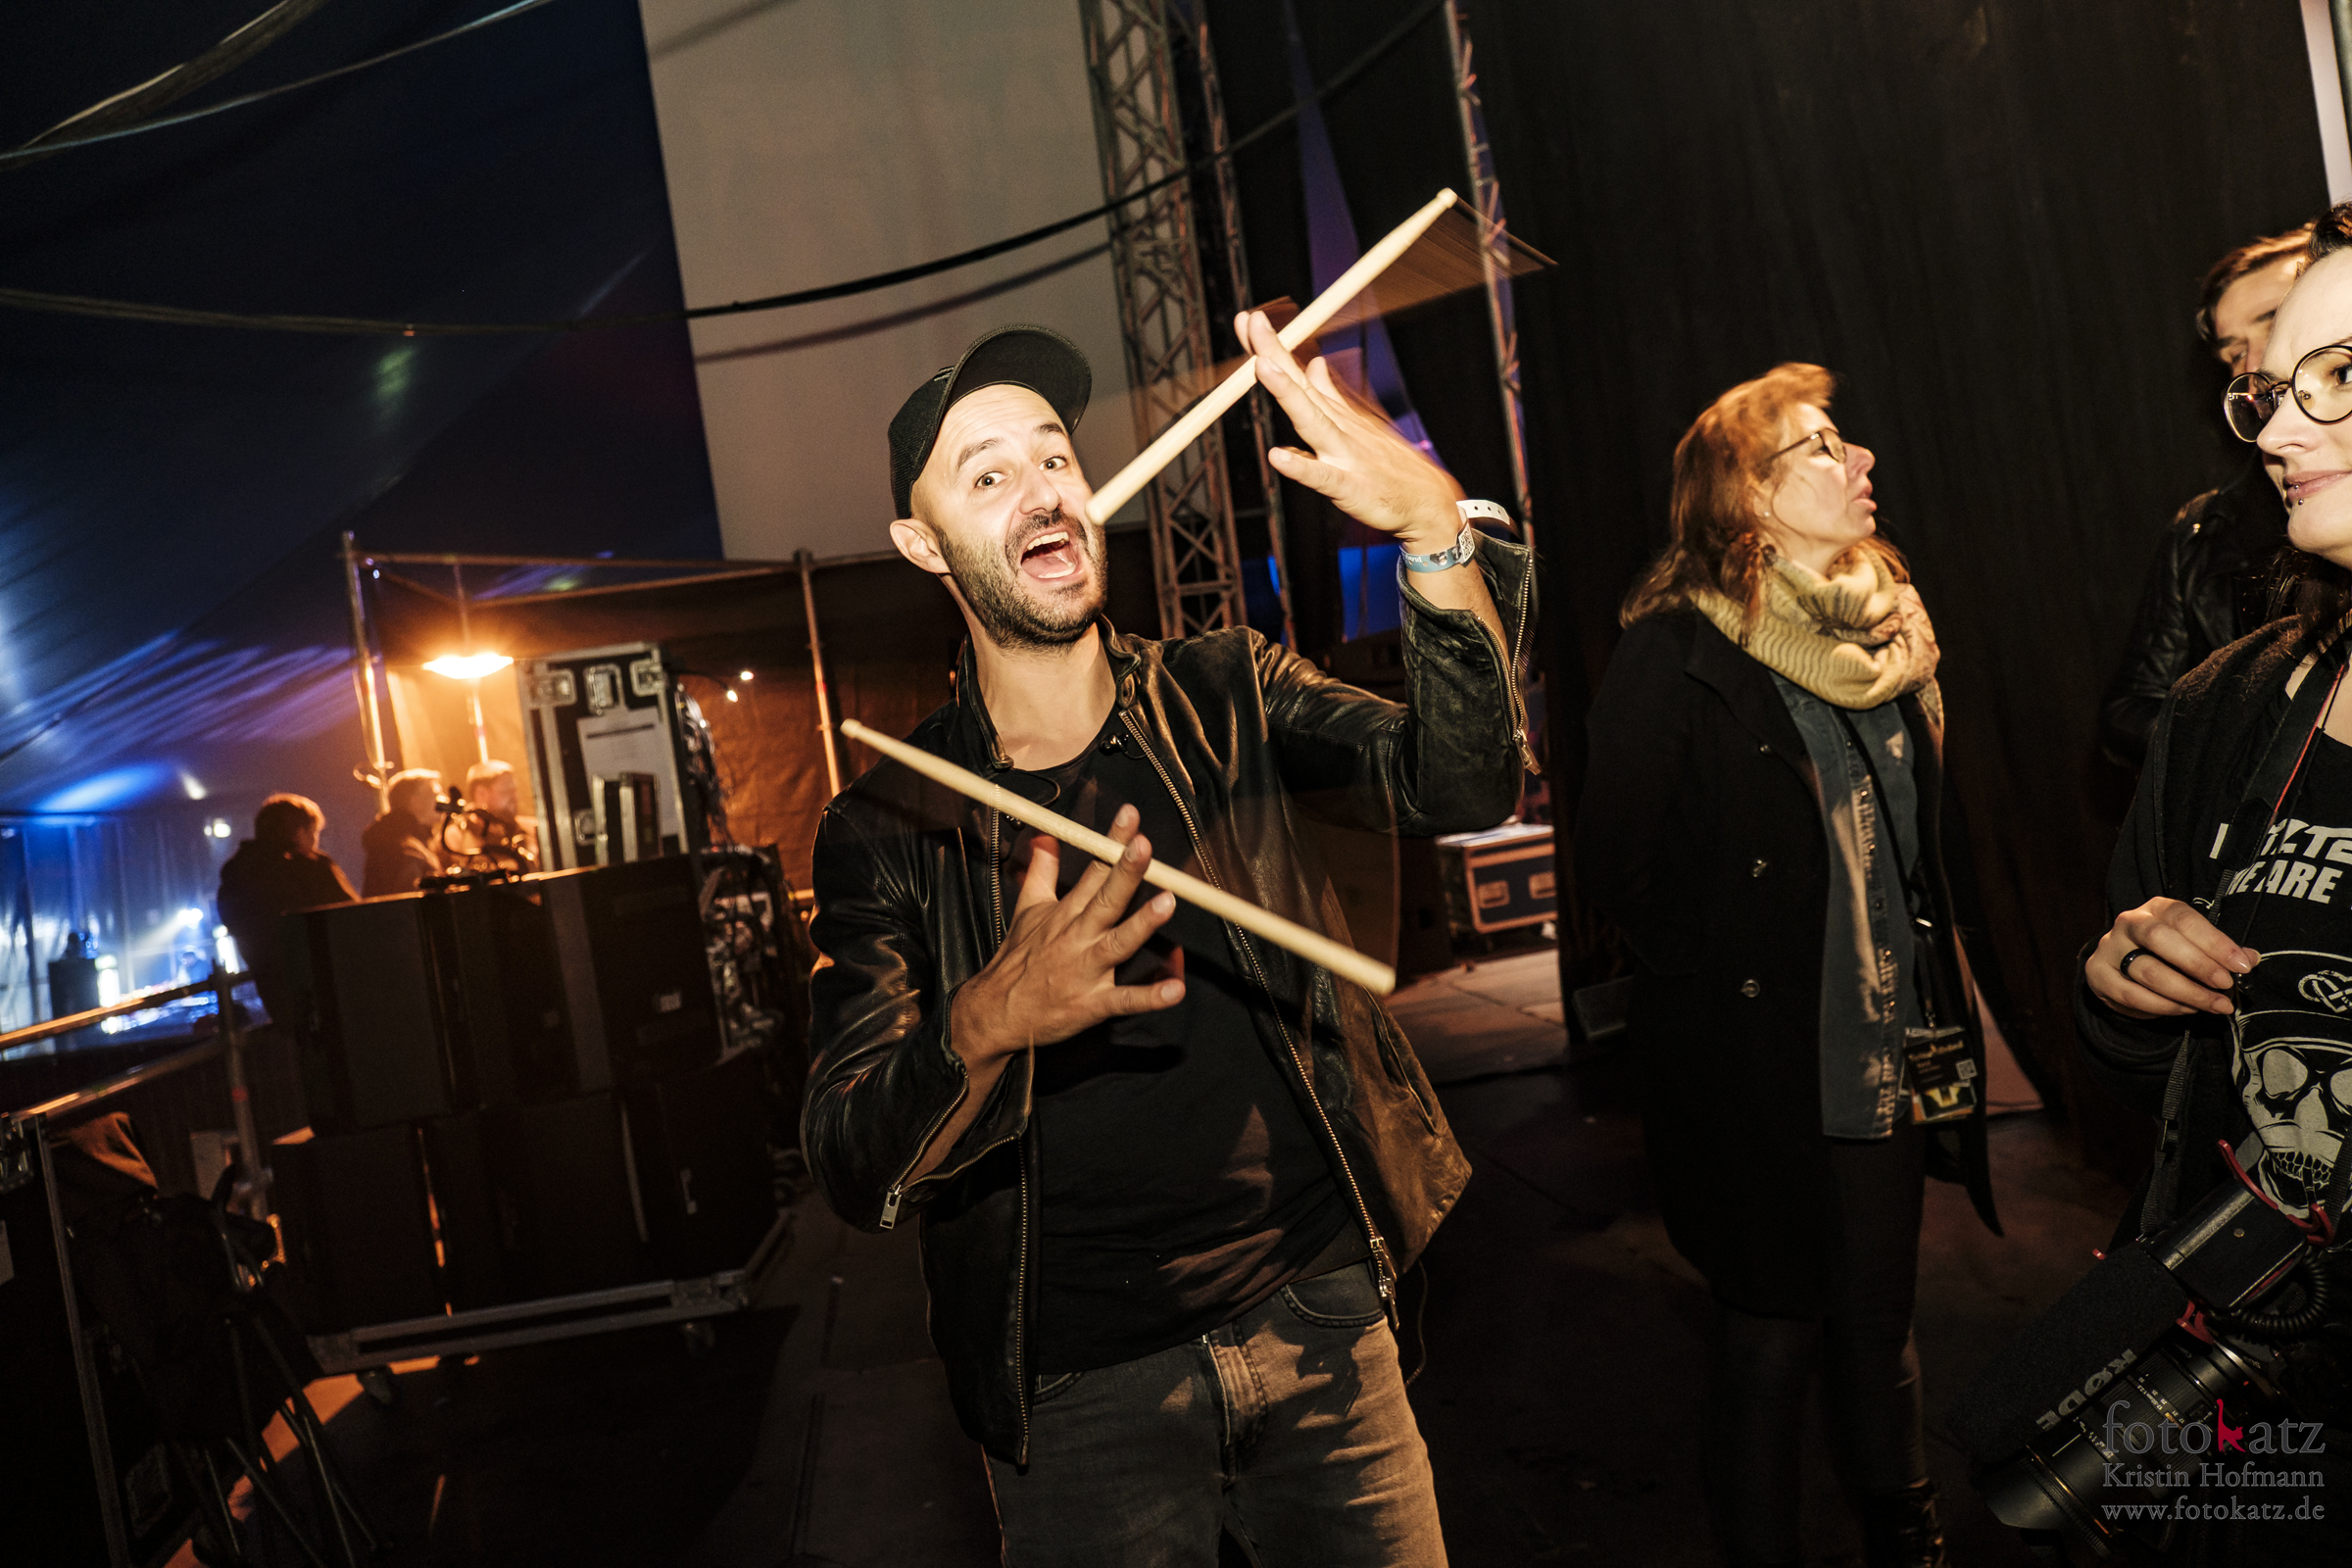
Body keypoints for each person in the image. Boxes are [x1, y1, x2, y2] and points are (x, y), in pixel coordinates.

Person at [800, 319, 1534, 1565]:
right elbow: (853, 1160)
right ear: (924, 546)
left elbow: (1461, 782)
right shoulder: (887, 825)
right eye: (988, 475)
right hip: (1080, 1394)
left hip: (1324, 1330)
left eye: (1054, 456)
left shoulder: (1227, 690)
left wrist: (1435, 536)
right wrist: (985, 1024)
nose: (1043, 488)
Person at [1577, 365, 2000, 1568]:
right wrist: (1727, 983)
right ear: (1747, 498)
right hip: (1759, 1066)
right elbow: (1618, 859)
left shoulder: (1890, 628)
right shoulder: (1676, 650)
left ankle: (1907, 1532)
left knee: (1879, 1318)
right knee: (1769, 1336)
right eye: (1821, 446)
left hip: (1891, 1051)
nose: (1858, 459)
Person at [2079, 207, 2352, 1562]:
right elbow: (2165, 1087)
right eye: (2268, 391)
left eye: (2339, 377)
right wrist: (2124, 986)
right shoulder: (2229, 708)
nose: (2278, 428)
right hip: (2254, 1400)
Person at [2099, 224, 2310, 769]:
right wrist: (2251, 746)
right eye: (2234, 353)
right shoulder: (2204, 530)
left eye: (2275, 320)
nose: (2253, 365)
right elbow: (2129, 712)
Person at [216, 794, 356, 1027]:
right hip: (332, 993)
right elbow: (356, 920)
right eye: (314, 833)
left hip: (278, 1001)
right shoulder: (311, 870)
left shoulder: (236, 878)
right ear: (300, 833)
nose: (316, 842)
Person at [359, 768, 443, 897]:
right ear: (415, 802)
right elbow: (411, 899)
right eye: (436, 795)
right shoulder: (404, 848)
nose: (444, 800)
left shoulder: (408, 841)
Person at [456, 759, 538, 870]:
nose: (515, 797)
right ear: (481, 793)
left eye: (515, 790)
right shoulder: (456, 840)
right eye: (506, 791)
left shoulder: (533, 831)